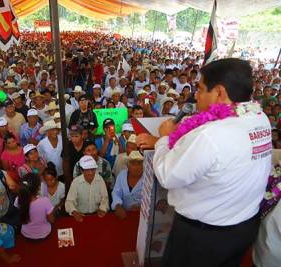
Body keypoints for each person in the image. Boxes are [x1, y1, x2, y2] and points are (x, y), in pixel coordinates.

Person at [136, 58, 271, 267]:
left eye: (199, 89)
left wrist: (163, 139)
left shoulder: (211, 134)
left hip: (203, 237)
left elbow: (167, 174)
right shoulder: (259, 117)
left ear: (219, 92)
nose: (196, 96)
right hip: (243, 227)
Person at [65, 155, 109, 222]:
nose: (91, 173)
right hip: (80, 216)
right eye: (87, 170)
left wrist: (102, 208)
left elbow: (105, 197)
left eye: (93, 169)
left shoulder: (100, 180)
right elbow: (69, 201)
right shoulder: (76, 182)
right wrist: (74, 211)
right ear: (82, 171)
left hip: (97, 215)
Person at [15, 172, 55, 240]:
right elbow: (51, 220)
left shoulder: (18, 199)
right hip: (44, 234)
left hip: (25, 234)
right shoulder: (45, 201)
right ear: (38, 188)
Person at [111, 151, 144, 219]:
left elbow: (151, 198)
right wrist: (117, 205)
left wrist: (141, 207)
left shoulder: (147, 178)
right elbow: (116, 193)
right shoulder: (122, 175)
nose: (136, 167)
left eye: (139, 163)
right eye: (133, 164)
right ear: (128, 165)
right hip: (124, 214)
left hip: (143, 216)